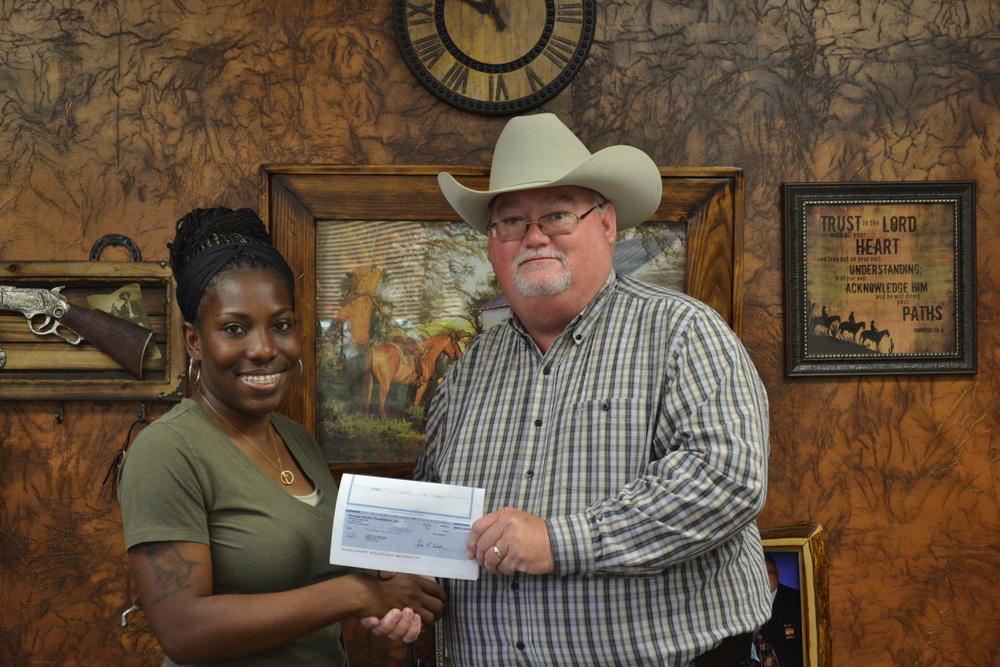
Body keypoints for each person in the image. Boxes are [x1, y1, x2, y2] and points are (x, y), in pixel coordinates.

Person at [415, 113, 771, 665]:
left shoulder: (681, 331)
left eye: (556, 215)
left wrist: (558, 543)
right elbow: (435, 515)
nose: (533, 237)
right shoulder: (468, 370)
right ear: (492, 245)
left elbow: (726, 479)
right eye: (510, 221)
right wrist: (408, 593)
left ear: (606, 223)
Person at [117, 207, 445, 665]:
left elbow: (314, 575)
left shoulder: (296, 439)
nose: (265, 349)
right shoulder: (167, 451)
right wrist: (355, 594)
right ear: (194, 340)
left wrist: (384, 590)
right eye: (235, 329)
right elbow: (185, 630)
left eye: (281, 325)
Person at [755, 554, 804, 667]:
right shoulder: (746, 602)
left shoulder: (797, 599)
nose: (763, 578)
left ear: (777, 574)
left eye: (767, 572)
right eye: (759, 573)